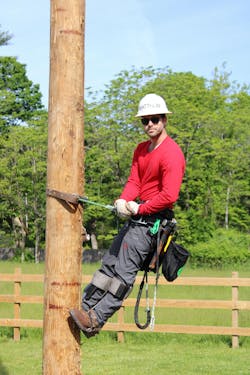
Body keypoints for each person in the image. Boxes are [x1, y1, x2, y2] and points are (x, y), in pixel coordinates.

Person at [70, 93, 186, 337]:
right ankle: (84, 307)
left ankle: (94, 320)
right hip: (136, 220)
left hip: (150, 224)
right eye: (145, 121)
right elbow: (135, 180)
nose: (150, 125)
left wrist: (140, 208)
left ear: (164, 119)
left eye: (154, 119)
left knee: (122, 275)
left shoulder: (172, 154)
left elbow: (169, 196)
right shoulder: (141, 150)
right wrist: (123, 200)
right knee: (107, 267)